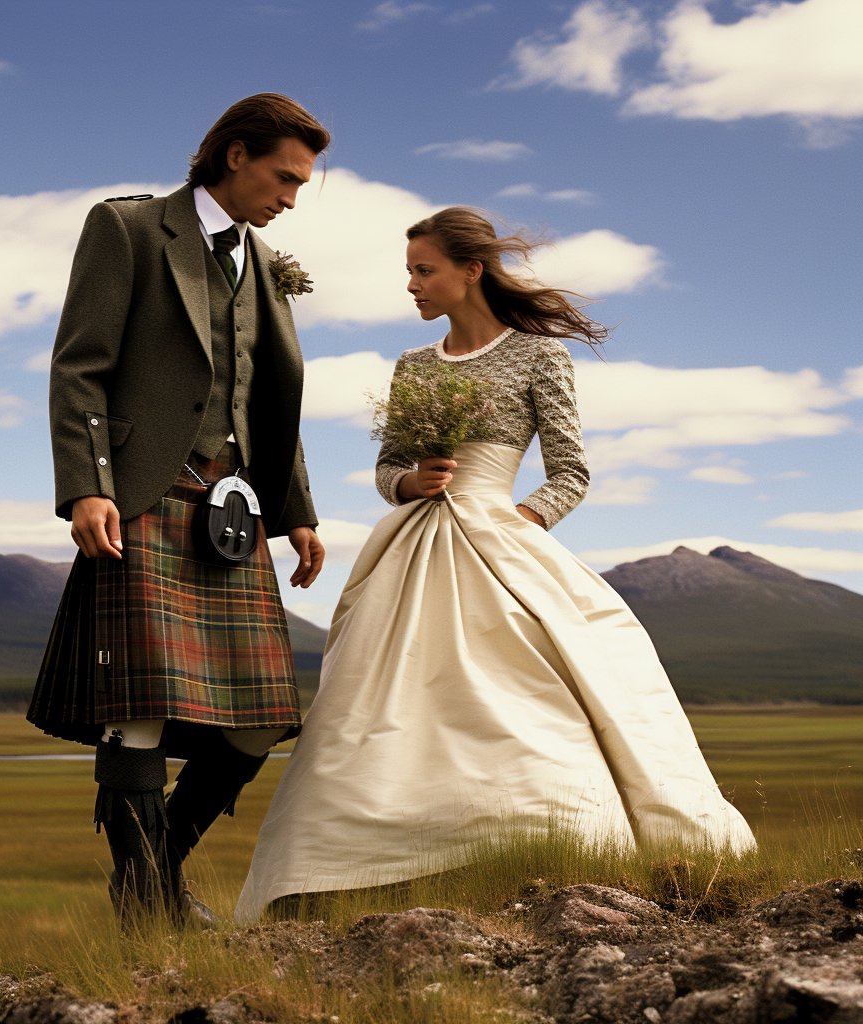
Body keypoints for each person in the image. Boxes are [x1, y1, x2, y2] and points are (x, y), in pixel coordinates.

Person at [235, 207, 755, 923]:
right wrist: (409, 484)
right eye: (409, 272)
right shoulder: (412, 366)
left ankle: (553, 847)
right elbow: (389, 466)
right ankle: (355, 871)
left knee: (531, 694)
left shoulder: (539, 355)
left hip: (503, 537)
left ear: (470, 271)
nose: (411, 286)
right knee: (375, 704)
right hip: (411, 547)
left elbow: (571, 471)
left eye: (424, 270)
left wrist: (521, 521)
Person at [27, 93, 329, 925]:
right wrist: (87, 483)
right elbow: (79, 366)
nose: (291, 197)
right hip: (147, 498)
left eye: (301, 185)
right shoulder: (126, 228)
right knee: (141, 710)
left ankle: (149, 876)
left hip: (232, 518)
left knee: (258, 724)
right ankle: (151, 906)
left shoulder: (263, 265)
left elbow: (267, 400)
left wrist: (294, 510)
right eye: (284, 177)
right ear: (234, 155)